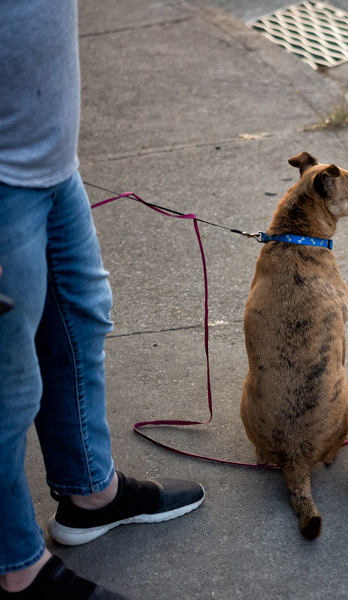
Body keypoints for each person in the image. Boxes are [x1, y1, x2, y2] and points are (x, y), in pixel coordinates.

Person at [0, 2, 205, 598]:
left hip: (48, 160)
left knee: (80, 317)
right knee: (8, 392)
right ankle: (17, 571)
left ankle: (90, 492)